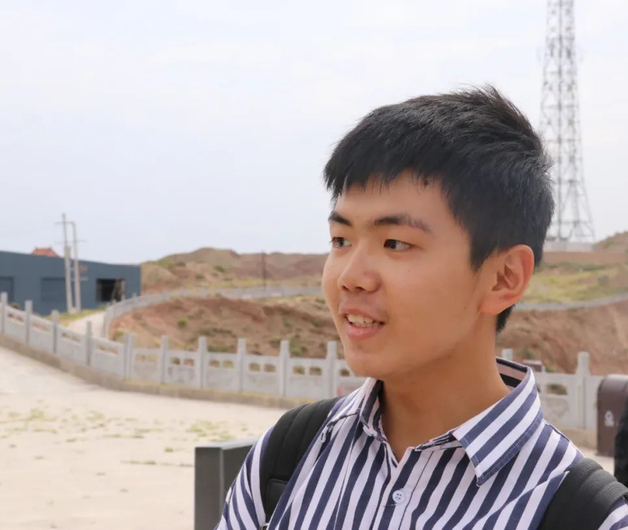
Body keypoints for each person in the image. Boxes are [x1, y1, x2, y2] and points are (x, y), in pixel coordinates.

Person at [215, 87, 628, 529]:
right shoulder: (287, 455)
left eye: (395, 243)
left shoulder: (586, 516)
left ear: (503, 277)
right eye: (341, 240)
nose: (350, 276)